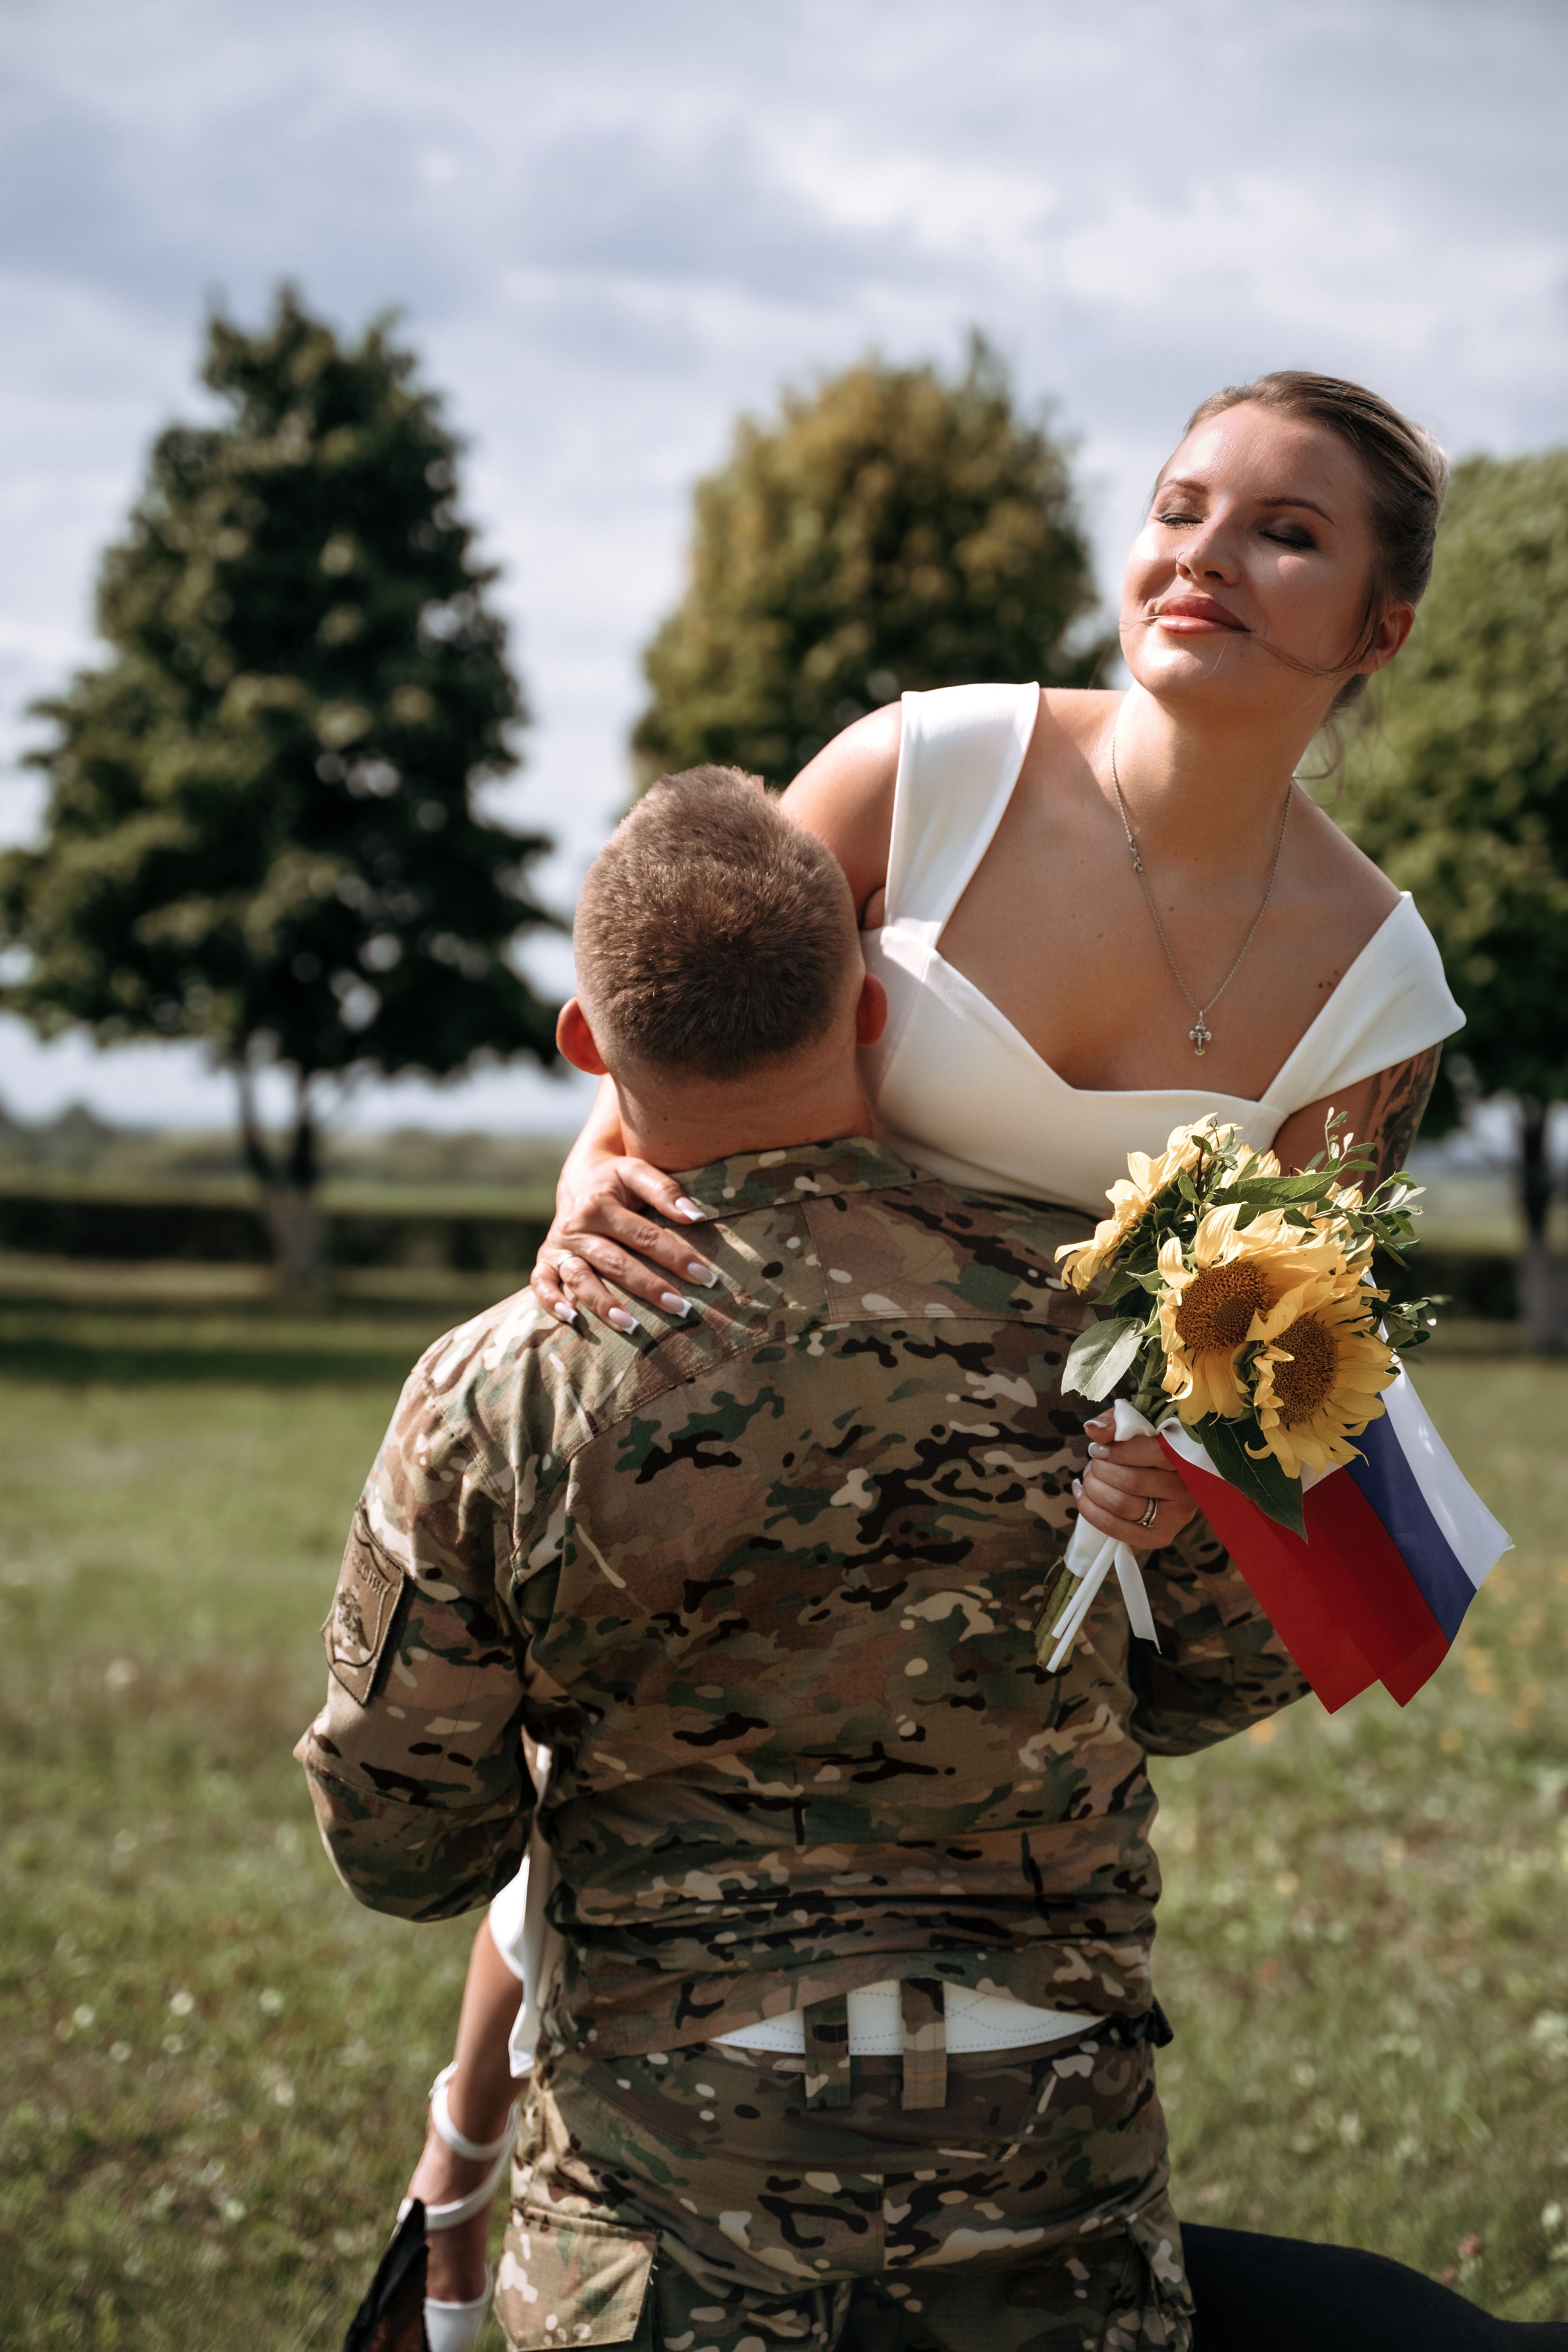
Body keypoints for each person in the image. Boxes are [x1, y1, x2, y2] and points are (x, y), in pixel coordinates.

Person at [299, 767, 1313, 2352]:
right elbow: (1225, 1674)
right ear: (869, 1017)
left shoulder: (499, 1392)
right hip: (1048, 2215)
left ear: (588, 1046)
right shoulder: (1108, 1328)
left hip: (664, 2232)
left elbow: (406, 1851)